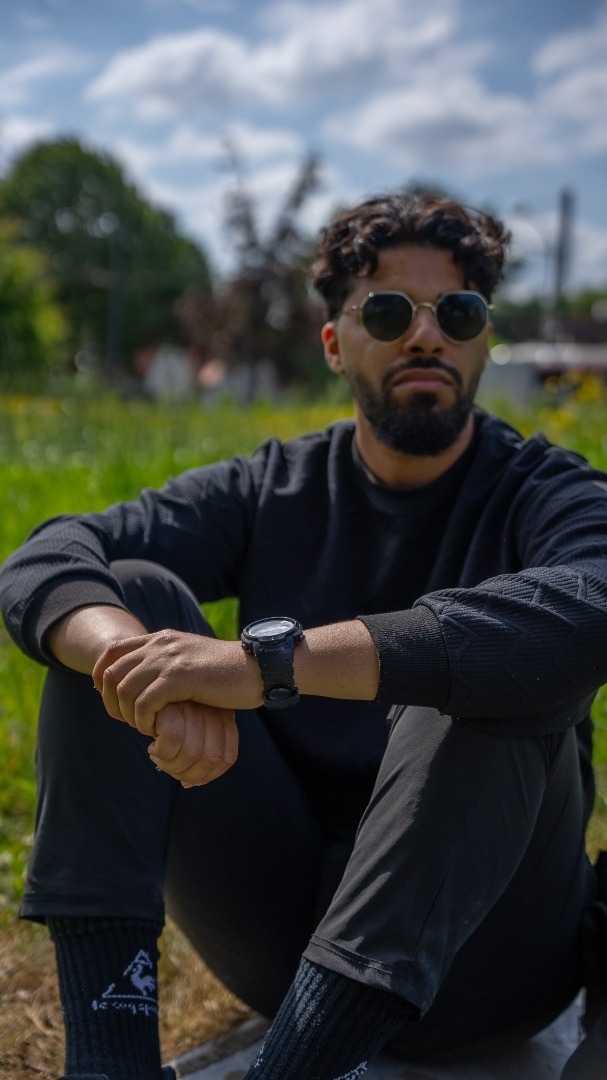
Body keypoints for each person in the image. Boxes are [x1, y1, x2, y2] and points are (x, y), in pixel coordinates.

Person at [1, 191, 606, 1080]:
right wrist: (136, 669)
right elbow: (49, 553)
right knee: (124, 602)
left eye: (457, 313)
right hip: (282, 944)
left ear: (482, 339)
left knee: (485, 667)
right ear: (333, 342)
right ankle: (110, 1062)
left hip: (490, 967)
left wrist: (265, 664)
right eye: (388, 312)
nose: (425, 336)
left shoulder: (543, 489)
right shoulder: (273, 486)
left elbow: (592, 605)